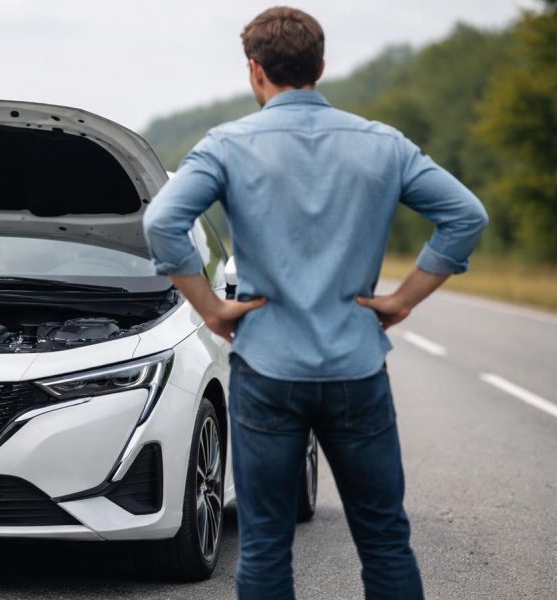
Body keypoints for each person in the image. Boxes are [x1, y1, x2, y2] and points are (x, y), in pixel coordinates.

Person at [142, 6, 488, 600]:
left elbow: (163, 222)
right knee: (383, 538)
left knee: (267, 543)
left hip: (268, 372)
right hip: (356, 369)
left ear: (255, 70)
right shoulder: (382, 144)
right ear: (321, 66)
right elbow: (466, 216)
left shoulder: (227, 145)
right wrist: (404, 298)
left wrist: (209, 308)